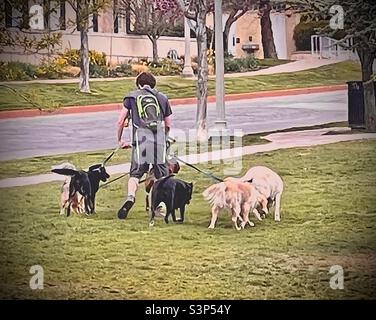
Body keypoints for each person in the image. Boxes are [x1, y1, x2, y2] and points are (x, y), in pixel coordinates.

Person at [117, 72, 172, 219]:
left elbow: (121, 120)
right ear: (153, 84)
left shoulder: (132, 97)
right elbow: (168, 124)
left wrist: (120, 140)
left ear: (139, 84)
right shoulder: (162, 97)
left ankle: (130, 197)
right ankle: (159, 207)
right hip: (159, 140)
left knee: (135, 174)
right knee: (161, 176)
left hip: (140, 140)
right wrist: (165, 139)